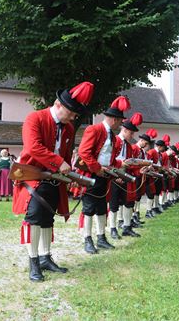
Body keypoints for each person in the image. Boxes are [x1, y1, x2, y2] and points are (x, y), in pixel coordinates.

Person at [12, 81, 94, 282]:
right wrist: (59, 163)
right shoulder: (35, 118)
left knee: (48, 219)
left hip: (55, 179)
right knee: (34, 219)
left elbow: (66, 156)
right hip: (33, 176)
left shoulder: (67, 128)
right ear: (58, 104)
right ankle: (34, 262)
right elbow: (33, 148)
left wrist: (71, 174)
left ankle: (45, 258)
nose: (74, 117)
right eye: (72, 113)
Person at [77, 96, 130, 254]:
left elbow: (110, 159)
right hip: (91, 175)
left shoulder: (112, 136)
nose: (121, 124)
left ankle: (101, 237)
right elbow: (84, 152)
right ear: (114, 119)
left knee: (101, 208)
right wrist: (97, 169)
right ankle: (87, 238)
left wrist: (121, 164)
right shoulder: (94, 129)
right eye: (120, 121)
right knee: (89, 208)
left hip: (104, 175)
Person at [109, 112, 143, 239]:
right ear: (124, 130)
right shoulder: (115, 140)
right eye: (131, 132)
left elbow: (129, 162)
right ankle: (113, 228)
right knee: (113, 204)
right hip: (114, 175)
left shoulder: (129, 146)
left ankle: (127, 227)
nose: (132, 135)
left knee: (128, 202)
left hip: (125, 175)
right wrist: (114, 175)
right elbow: (110, 160)